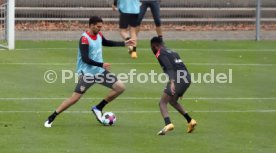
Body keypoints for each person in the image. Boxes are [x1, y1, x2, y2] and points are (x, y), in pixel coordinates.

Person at [44, 16, 134, 128]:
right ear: (91, 25)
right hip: (87, 74)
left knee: (120, 87)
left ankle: (98, 107)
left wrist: (124, 44)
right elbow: (85, 59)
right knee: (74, 98)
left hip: (100, 72)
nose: (100, 29)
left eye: (101, 26)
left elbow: (106, 42)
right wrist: (101, 64)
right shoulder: (84, 39)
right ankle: (52, 117)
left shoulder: (99, 35)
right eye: (98, 27)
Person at [150, 37, 197, 135]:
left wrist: (172, 82)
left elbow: (169, 67)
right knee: (172, 101)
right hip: (186, 78)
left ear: (154, 46)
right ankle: (190, 121)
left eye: (151, 47)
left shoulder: (160, 53)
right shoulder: (172, 51)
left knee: (162, 102)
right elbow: (181, 66)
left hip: (177, 79)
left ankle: (168, 124)